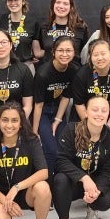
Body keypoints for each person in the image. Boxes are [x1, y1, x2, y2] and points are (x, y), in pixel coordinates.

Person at [53, 96, 110, 219]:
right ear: (86, 112)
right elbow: (61, 160)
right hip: (74, 182)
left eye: (104, 110)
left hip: (95, 183)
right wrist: (83, 178)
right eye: (95, 110)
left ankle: (92, 208)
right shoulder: (71, 129)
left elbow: (109, 171)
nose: (99, 114)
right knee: (59, 180)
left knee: (105, 201)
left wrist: (97, 191)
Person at [32, 36, 80, 175]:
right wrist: (35, 132)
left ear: (74, 52)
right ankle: (49, 179)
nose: (64, 54)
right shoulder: (43, 73)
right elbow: (38, 105)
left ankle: (61, 179)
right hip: (42, 112)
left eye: (68, 51)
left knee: (64, 147)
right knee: (51, 149)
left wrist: (58, 120)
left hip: (59, 110)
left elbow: (66, 96)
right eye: (61, 50)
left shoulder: (74, 70)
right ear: (53, 52)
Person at [71, 39, 110, 133]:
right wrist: (90, 125)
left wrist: (107, 128)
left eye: (103, 53)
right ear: (90, 57)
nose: (100, 58)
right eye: (95, 55)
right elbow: (79, 104)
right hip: (86, 115)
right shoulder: (81, 74)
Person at [0, 0, 43, 74]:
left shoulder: (32, 22)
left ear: (23, 1)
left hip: (26, 66)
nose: (13, 3)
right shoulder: (0, 20)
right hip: (4, 66)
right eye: (10, 0)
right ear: (6, 3)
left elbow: (37, 51)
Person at [39, 0, 90, 65]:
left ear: (71, 7)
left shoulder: (80, 28)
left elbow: (85, 52)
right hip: (49, 73)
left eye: (65, 4)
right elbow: (42, 50)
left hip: (74, 73)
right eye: (58, 2)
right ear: (53, 5)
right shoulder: (45, 27)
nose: (61, 6)